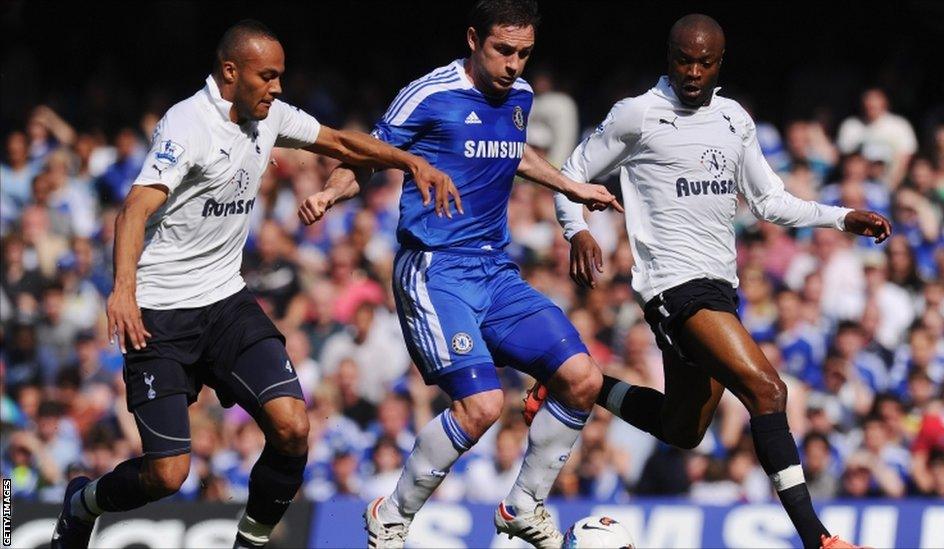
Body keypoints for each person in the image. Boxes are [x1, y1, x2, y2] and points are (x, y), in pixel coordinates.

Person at [51, 19, 458, 549]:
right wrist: (122, 291)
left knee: (292, 425)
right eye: (268, 76)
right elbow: (133, 211)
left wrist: (410, 161)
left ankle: (250, 543)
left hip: (225, 302)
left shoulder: (269, 117)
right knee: (167, 475)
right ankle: (82, 503)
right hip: (160, 315)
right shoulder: (186, 125)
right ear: (230, 71)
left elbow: (337, 141)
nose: (278, 87)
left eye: (280, 76)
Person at [528, 14, 892, 549]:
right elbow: (569, 174)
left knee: (684, 430)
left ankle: (572, 380)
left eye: (705, 62)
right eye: (683, 60)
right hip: (672, 287)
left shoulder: (733, 119)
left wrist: (841, 217)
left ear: (720, 64)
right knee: (768, 391)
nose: (693, 71)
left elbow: (770, 201)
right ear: (668, 56)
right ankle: (818, 538)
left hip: (721, 288)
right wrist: (577, 230)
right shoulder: (638, 115)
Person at [300, 2, 619, 546]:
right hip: (434, 268)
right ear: (473, 39)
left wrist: (570, 186)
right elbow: (371, 154)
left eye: (524, 54)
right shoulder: (429, 94)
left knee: (583, 378)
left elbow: (512, 152)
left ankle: (522, 505)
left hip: (494, 269)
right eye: (503, 50)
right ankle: (392, 514)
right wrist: (332, 191)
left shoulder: (520, 97)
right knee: (482, 406)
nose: (514, 65)